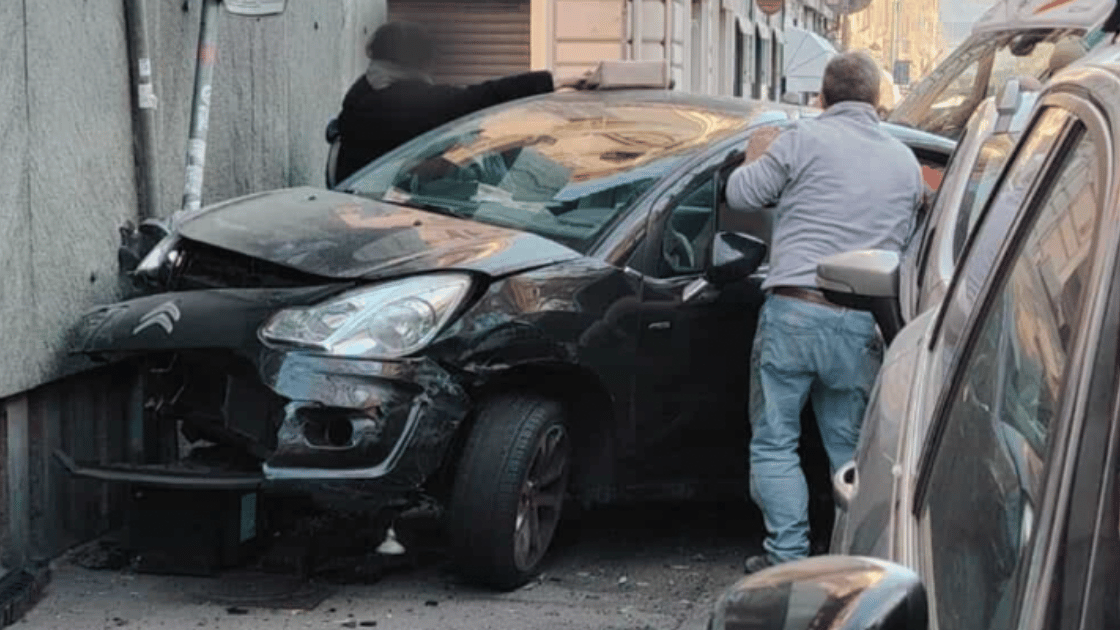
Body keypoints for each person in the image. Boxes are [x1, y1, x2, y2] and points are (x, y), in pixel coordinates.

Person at [724, 51, 925, 573]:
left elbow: (741, 195)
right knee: (851, 452)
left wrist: (755, 154)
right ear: (877, 101)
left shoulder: (802, 139)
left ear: (822, 97)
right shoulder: (905, 162)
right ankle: (851, 563)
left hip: (793, 311)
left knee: (775, 442)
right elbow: (911, 244)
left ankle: (785, 559)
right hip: (860, 319)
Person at [333, 21, 560, 183]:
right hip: (370, 209)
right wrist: (555, 82)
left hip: (357, 197)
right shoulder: (399, 100)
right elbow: (476, 98)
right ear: (417, 62)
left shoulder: (367, 86)